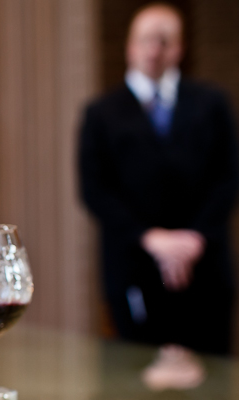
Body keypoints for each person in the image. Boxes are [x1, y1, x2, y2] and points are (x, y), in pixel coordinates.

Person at [78, 3, 239, 360]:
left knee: (213, 396)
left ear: (179, 48)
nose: (154, 50)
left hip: (205, 269)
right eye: (145, 40)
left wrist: (193, 239)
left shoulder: (212, 104)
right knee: (133, 386)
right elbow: (94, 190)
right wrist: (153, 239)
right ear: (130, 47)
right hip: (134, 267)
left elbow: (228, 178)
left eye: (163, 41)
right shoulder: (101, 113)